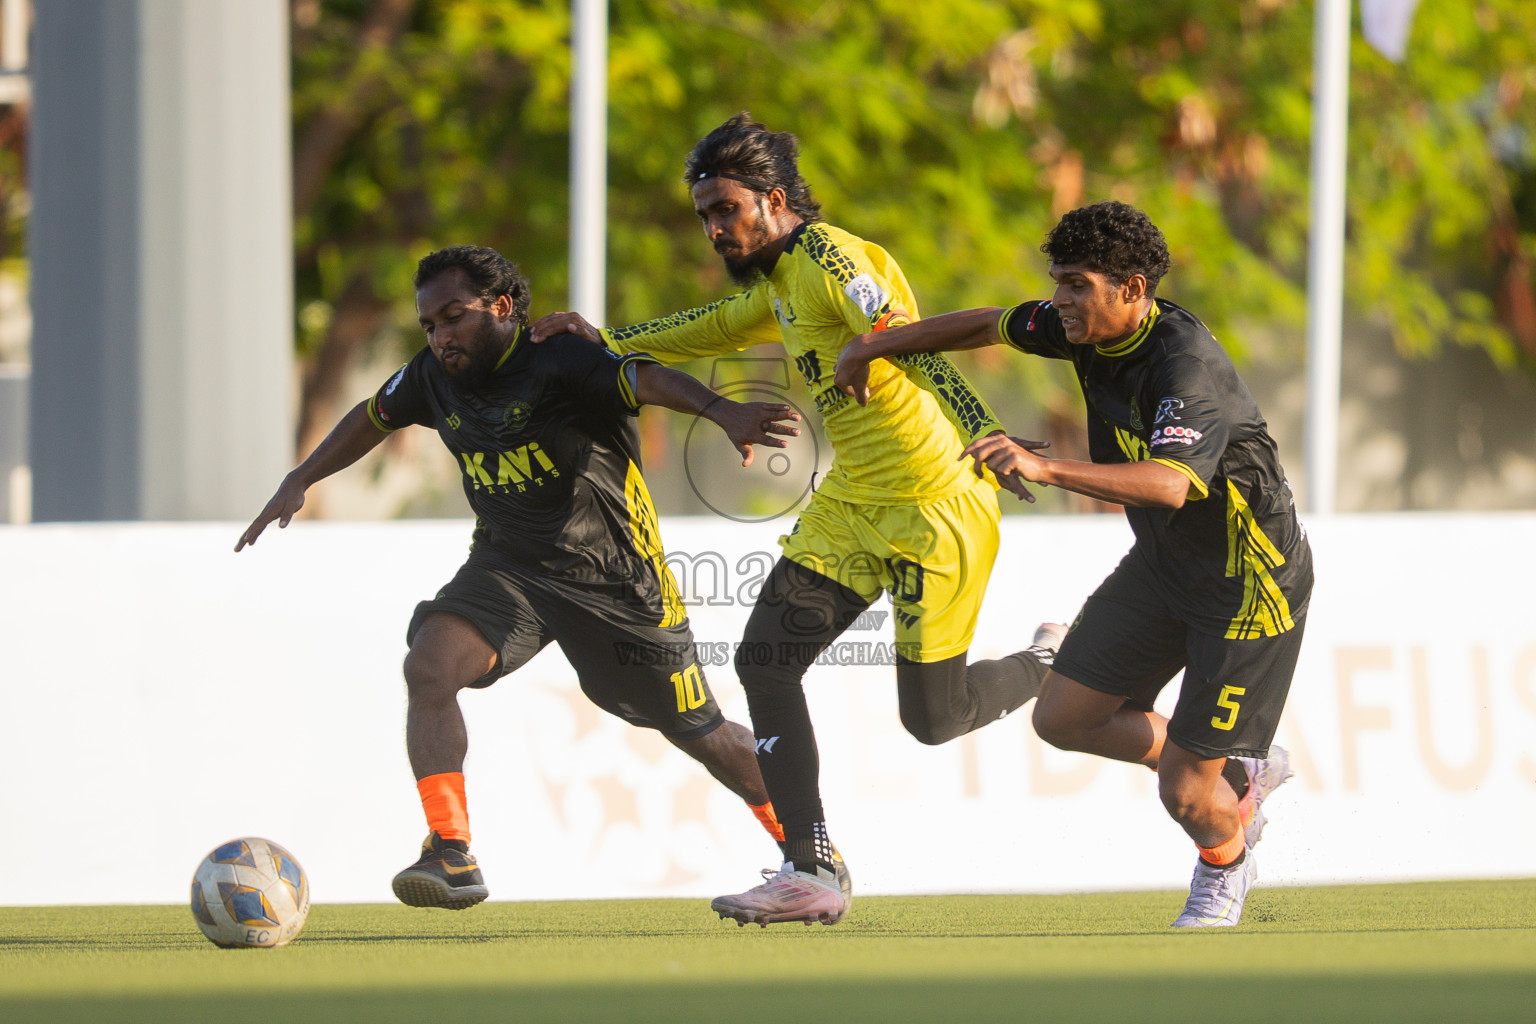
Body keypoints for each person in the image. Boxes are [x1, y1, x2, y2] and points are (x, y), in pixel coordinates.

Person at [532, 114, 1063, 927]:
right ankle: (810, 866)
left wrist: (982, 430)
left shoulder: (834, 260)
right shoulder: (777, 281)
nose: (714, 229)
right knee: (765, 662)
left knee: (933, 720)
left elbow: (910, 346)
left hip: (935, 506)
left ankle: (1048, 661)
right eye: (705, 214)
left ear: (774, 200)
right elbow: (711, 327)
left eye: (725, 211)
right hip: (854, 504)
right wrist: (607, 339)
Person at [237, 245, 803, 911]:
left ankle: (807, 848)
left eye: (453, 317)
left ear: (502, 307)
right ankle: (451, 851)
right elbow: (372, 414)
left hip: (614, 582)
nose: (441, 336)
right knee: (430, 667)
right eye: (429, 325)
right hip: (508, 567)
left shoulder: (560, 358)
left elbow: (643, 379)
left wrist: (721, 410)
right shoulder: (434, 376)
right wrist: (302, 476)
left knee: (706, 737)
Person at [833, 200, 1311, 928]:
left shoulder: (1185, 366)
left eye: (1078, 285)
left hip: (1247, 585)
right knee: (1063, 717)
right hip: (1163, 568)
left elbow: (1171, 484)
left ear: (1134, 289)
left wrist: (1045, 469)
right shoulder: (1078, 325)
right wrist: (876, 345)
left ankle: (1226, 859)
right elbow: (985, 321)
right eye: (1057, 282)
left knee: (1185, 795)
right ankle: (1240, 772)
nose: (1061, 301)